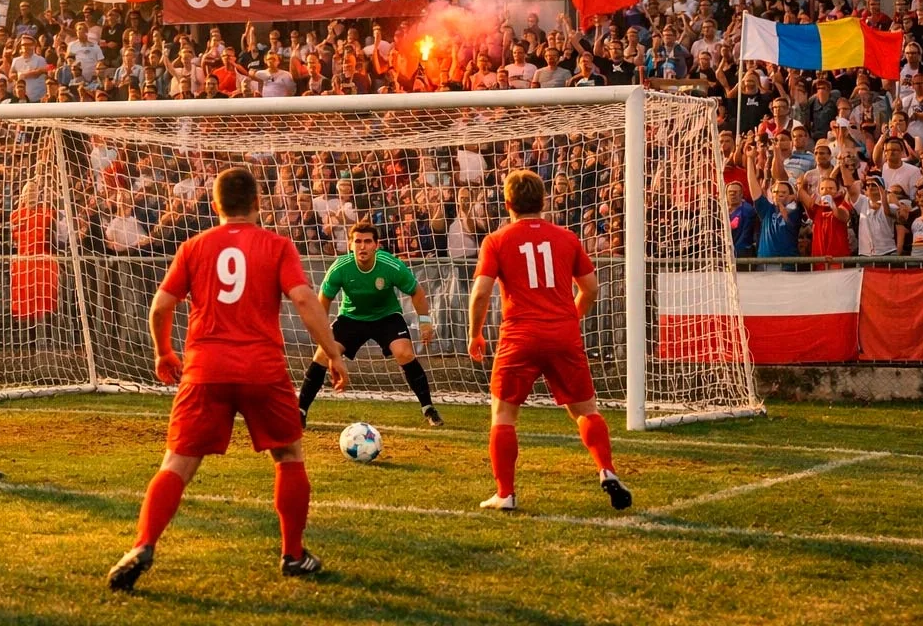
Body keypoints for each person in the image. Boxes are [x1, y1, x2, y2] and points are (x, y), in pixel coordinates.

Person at [107, 167, 349, 591]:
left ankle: (143, 543)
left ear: (215, 205)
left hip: (205, 368)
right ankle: (293, 554)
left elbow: (161, 306)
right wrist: (332, 352)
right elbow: (304, 299)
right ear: (258, 203)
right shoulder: (277, 245)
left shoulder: (194, 246)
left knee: (177, 463)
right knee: (289, 455)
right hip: (262, 368)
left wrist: (164, 351)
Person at [467, 169, 631, 512]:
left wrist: (475, 333)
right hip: (562, 334)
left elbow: (481, 293)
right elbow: (591, 288)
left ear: (508, 203)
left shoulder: (496, 240)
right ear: (543, 201)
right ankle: (606, 470)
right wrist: (570, 316)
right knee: (585, 409)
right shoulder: (567, 237)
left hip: (519, 336)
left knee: (503, 415)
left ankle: (506, 494)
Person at [298, 220, 440, 427]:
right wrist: (322, 333)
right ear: (350, 245)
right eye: (357, 242)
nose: (362, 246)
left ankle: (428, 408)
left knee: (404, 353)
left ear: (376, 245)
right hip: (351, 318)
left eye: (367, 241)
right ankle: (300, 411)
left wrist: (425, 323)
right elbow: (323, 301)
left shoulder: (391, 265)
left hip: (387, 317)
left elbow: (416, 292)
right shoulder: (340, 267)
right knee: (322, 355)